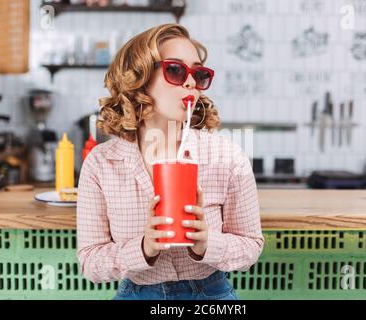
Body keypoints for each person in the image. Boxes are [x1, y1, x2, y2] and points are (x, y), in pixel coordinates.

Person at [77, 23, 264, 300]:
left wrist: (206, 244)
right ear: (137, 78)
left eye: (198, 74)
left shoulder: (227, 157)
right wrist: (143, 248)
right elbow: (90, 263)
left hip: (210, 294)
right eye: (175, 70)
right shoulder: (101, 164)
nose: (191, 83)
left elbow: (251, 247)